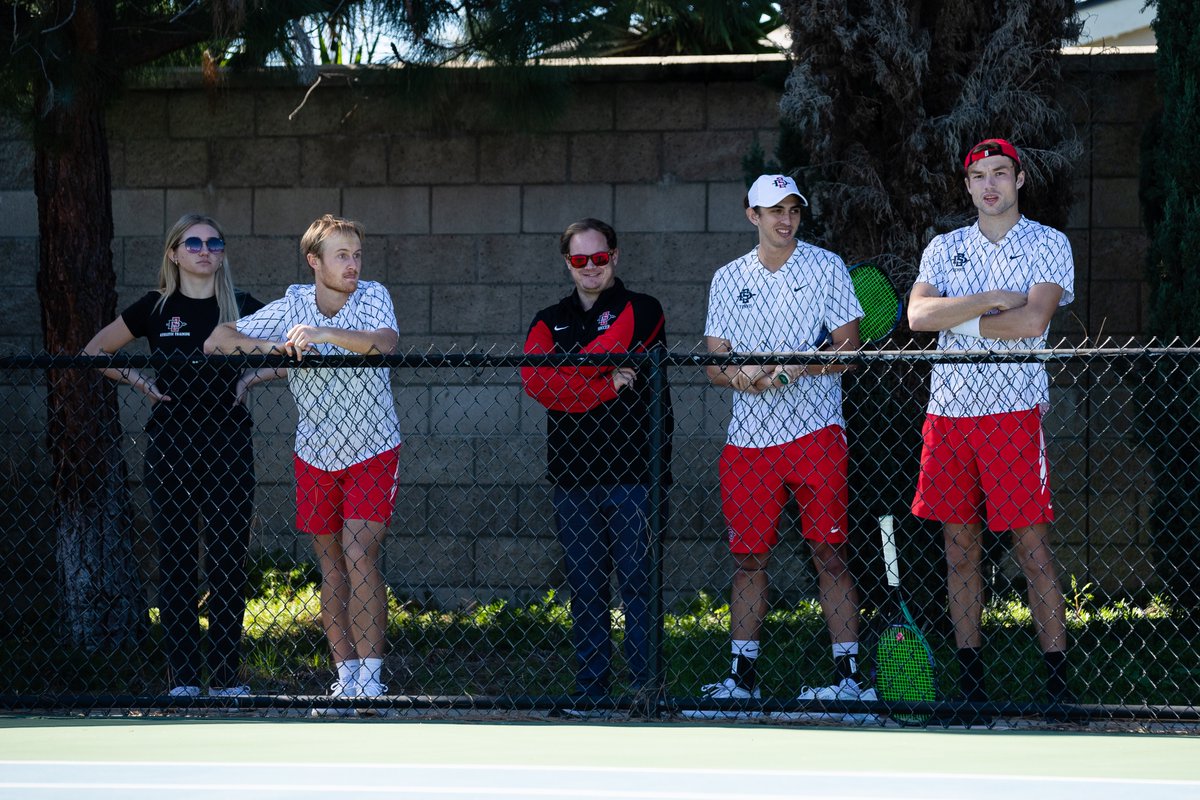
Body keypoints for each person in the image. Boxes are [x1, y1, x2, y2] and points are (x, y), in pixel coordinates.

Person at [691, 174, 875, 721]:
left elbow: (848, 351)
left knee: (830, 553)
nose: (785, 219)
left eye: (793, 208)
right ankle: (740, 680)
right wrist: (743, 376)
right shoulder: (728, 279)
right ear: (752, 215)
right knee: (748, 560)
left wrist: (799, 367)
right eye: (774, 210)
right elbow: (714, 364)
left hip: (818, 434)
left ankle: (849, 680)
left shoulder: (828, 267)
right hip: (748, 444)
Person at [205, 214, 402, 711]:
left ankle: (373, 680)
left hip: (374, 446)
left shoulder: (372, 295)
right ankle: (346, 677)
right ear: (315, 261)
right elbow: (218, 340)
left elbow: (385, 343)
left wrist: (325, 336)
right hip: (315, 452)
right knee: (331, 563)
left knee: (359, 554)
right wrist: (282, 348)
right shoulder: (292, 303)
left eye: (356, 255)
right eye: (341, 256)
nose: (352, 264)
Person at [908, 138, 1074, 710]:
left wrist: (960, 316)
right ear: (968, 185)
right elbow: (918, 316)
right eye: (978, 175)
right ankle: (971, 681)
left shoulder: (1049, 243)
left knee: (1032, 551)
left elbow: (1032, 322)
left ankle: (1056, 682)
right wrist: (987, 300)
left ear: (1020, 179)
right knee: (959, 552)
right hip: (947, 415)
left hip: (1013, 414)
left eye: (999, 173)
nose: (989, 185)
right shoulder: (944, 247)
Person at [84, 213, 274, 698]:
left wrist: (253, 377)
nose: (204, 250)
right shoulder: (155, 307)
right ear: (174, 253)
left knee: (228, 563)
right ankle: (186, 680)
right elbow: (94, 352)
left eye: (214, 242)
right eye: (193, 243)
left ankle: (228, 680)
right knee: (177, 564)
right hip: (171, 447)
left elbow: (298, 350)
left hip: (229, 444)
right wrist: (138, 381)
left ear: (222, 253)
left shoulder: (244, 307)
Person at [521, 218, 673, 713]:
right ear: (567, 263)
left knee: (638, 585)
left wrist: (571, 378)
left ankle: (646, 691)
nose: (590, 268)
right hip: (571, 477)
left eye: (599, 258)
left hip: (635, 475)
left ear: (615, 257)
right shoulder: (548, 319)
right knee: (585, 587)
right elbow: (536, 382)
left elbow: (604, 352)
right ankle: (591, 692)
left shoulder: (643, 309)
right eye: (580, 260)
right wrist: (605, 385)